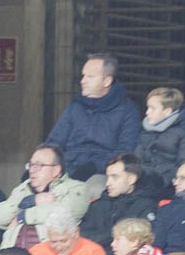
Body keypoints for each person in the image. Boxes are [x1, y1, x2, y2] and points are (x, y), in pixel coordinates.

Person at [47, 53, 141, 181]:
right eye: (83, 75)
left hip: (102, 174)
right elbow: (54, 142)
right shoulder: (75, 106)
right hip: (66, 169)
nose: (82, 81)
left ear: (107, 81)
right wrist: (42, 164)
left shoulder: (128, 111)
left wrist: (95, 167)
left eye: (90, 77)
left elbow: (125, 152)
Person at [0, 143, 92, 250]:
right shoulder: (23, 188)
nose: (32, 170)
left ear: (56, 170)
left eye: (39, 166)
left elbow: (65, 212)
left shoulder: (77, 188)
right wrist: (31, 200)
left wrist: (23, 216)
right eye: (30, 165)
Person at [81, 154, 163, 255]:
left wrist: (100, 239)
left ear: (131, 179)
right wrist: (113, 237)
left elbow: (137, 241)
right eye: (107, 177)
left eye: (114, 177)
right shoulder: (99, 204)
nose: (107, 183)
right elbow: (81, 235)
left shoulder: (146, 206)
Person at [137, 87, 185, 193]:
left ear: (167, 111)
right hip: (143, 182)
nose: (147, 112)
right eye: (147, 108)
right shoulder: (145, 132)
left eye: (152, 108)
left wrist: (160, 180)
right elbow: (137, 159)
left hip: (167, 186)